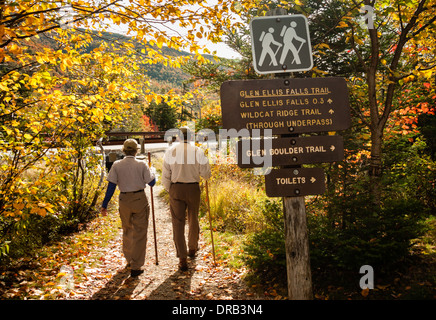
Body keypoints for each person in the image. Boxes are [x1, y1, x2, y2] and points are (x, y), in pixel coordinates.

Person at [101, 139, 156, 277]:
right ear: (136, 150)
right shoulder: (142, 164)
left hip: (124, 199)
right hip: (139, 199)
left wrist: (105, 204)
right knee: (140, 232)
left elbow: (111, 186)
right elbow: (152, 183)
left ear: (124, 150)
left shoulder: (117, 165)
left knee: (127, 230)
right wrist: (152, 171)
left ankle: (129, 260)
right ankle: (136, 266)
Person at [161, 127, 211, 271]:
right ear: (191, 137)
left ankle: (182, 258)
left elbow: (165, 175)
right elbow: (206, 174)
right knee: (193, 218)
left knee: (177, 222)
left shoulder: (170, 151)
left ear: (178, 137)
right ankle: (193, 248)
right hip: (193, 188)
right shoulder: (197, 151)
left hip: (176, 188)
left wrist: (170, 189)